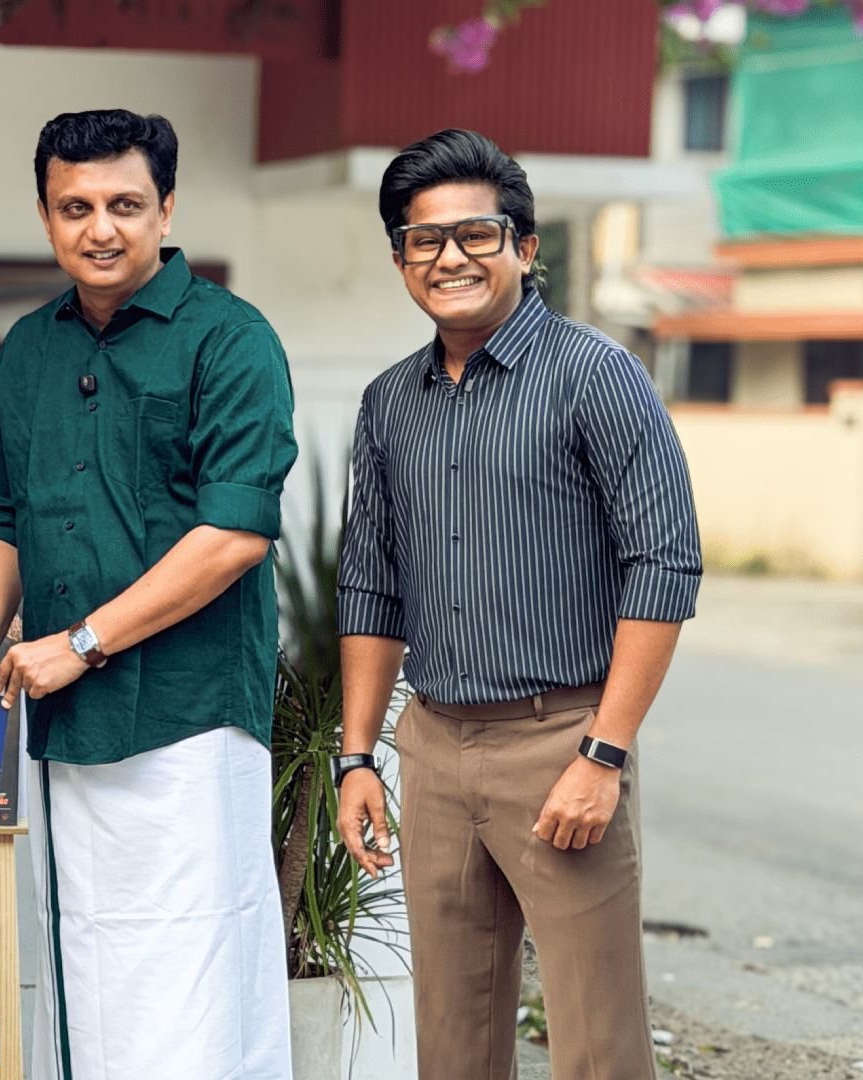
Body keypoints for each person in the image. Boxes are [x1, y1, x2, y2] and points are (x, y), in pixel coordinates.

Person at [0, 109, 298, 1080]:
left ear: (166, 209)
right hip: (65, 718)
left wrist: (81, 642)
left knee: (190, 970)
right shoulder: (28, 346)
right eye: (75, 207)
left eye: (125, 205)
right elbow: (0, 509)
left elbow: (233, 535)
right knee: (87, 970)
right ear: (46, 217)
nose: (101, 229)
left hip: (188, 715)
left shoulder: (231, 339)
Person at [331, 129, 701, 1080]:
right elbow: (371, 584)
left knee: (597, 1045)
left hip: (561, 742)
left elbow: (664, 564)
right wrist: (357, 757)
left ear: (525, 247)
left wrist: (603, 754)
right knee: (451, 1039)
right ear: (402, 258)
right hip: (433, 745)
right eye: (424, 240)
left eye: (477, 234)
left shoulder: (596, 375)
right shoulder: (388, 402)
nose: (449, 257)